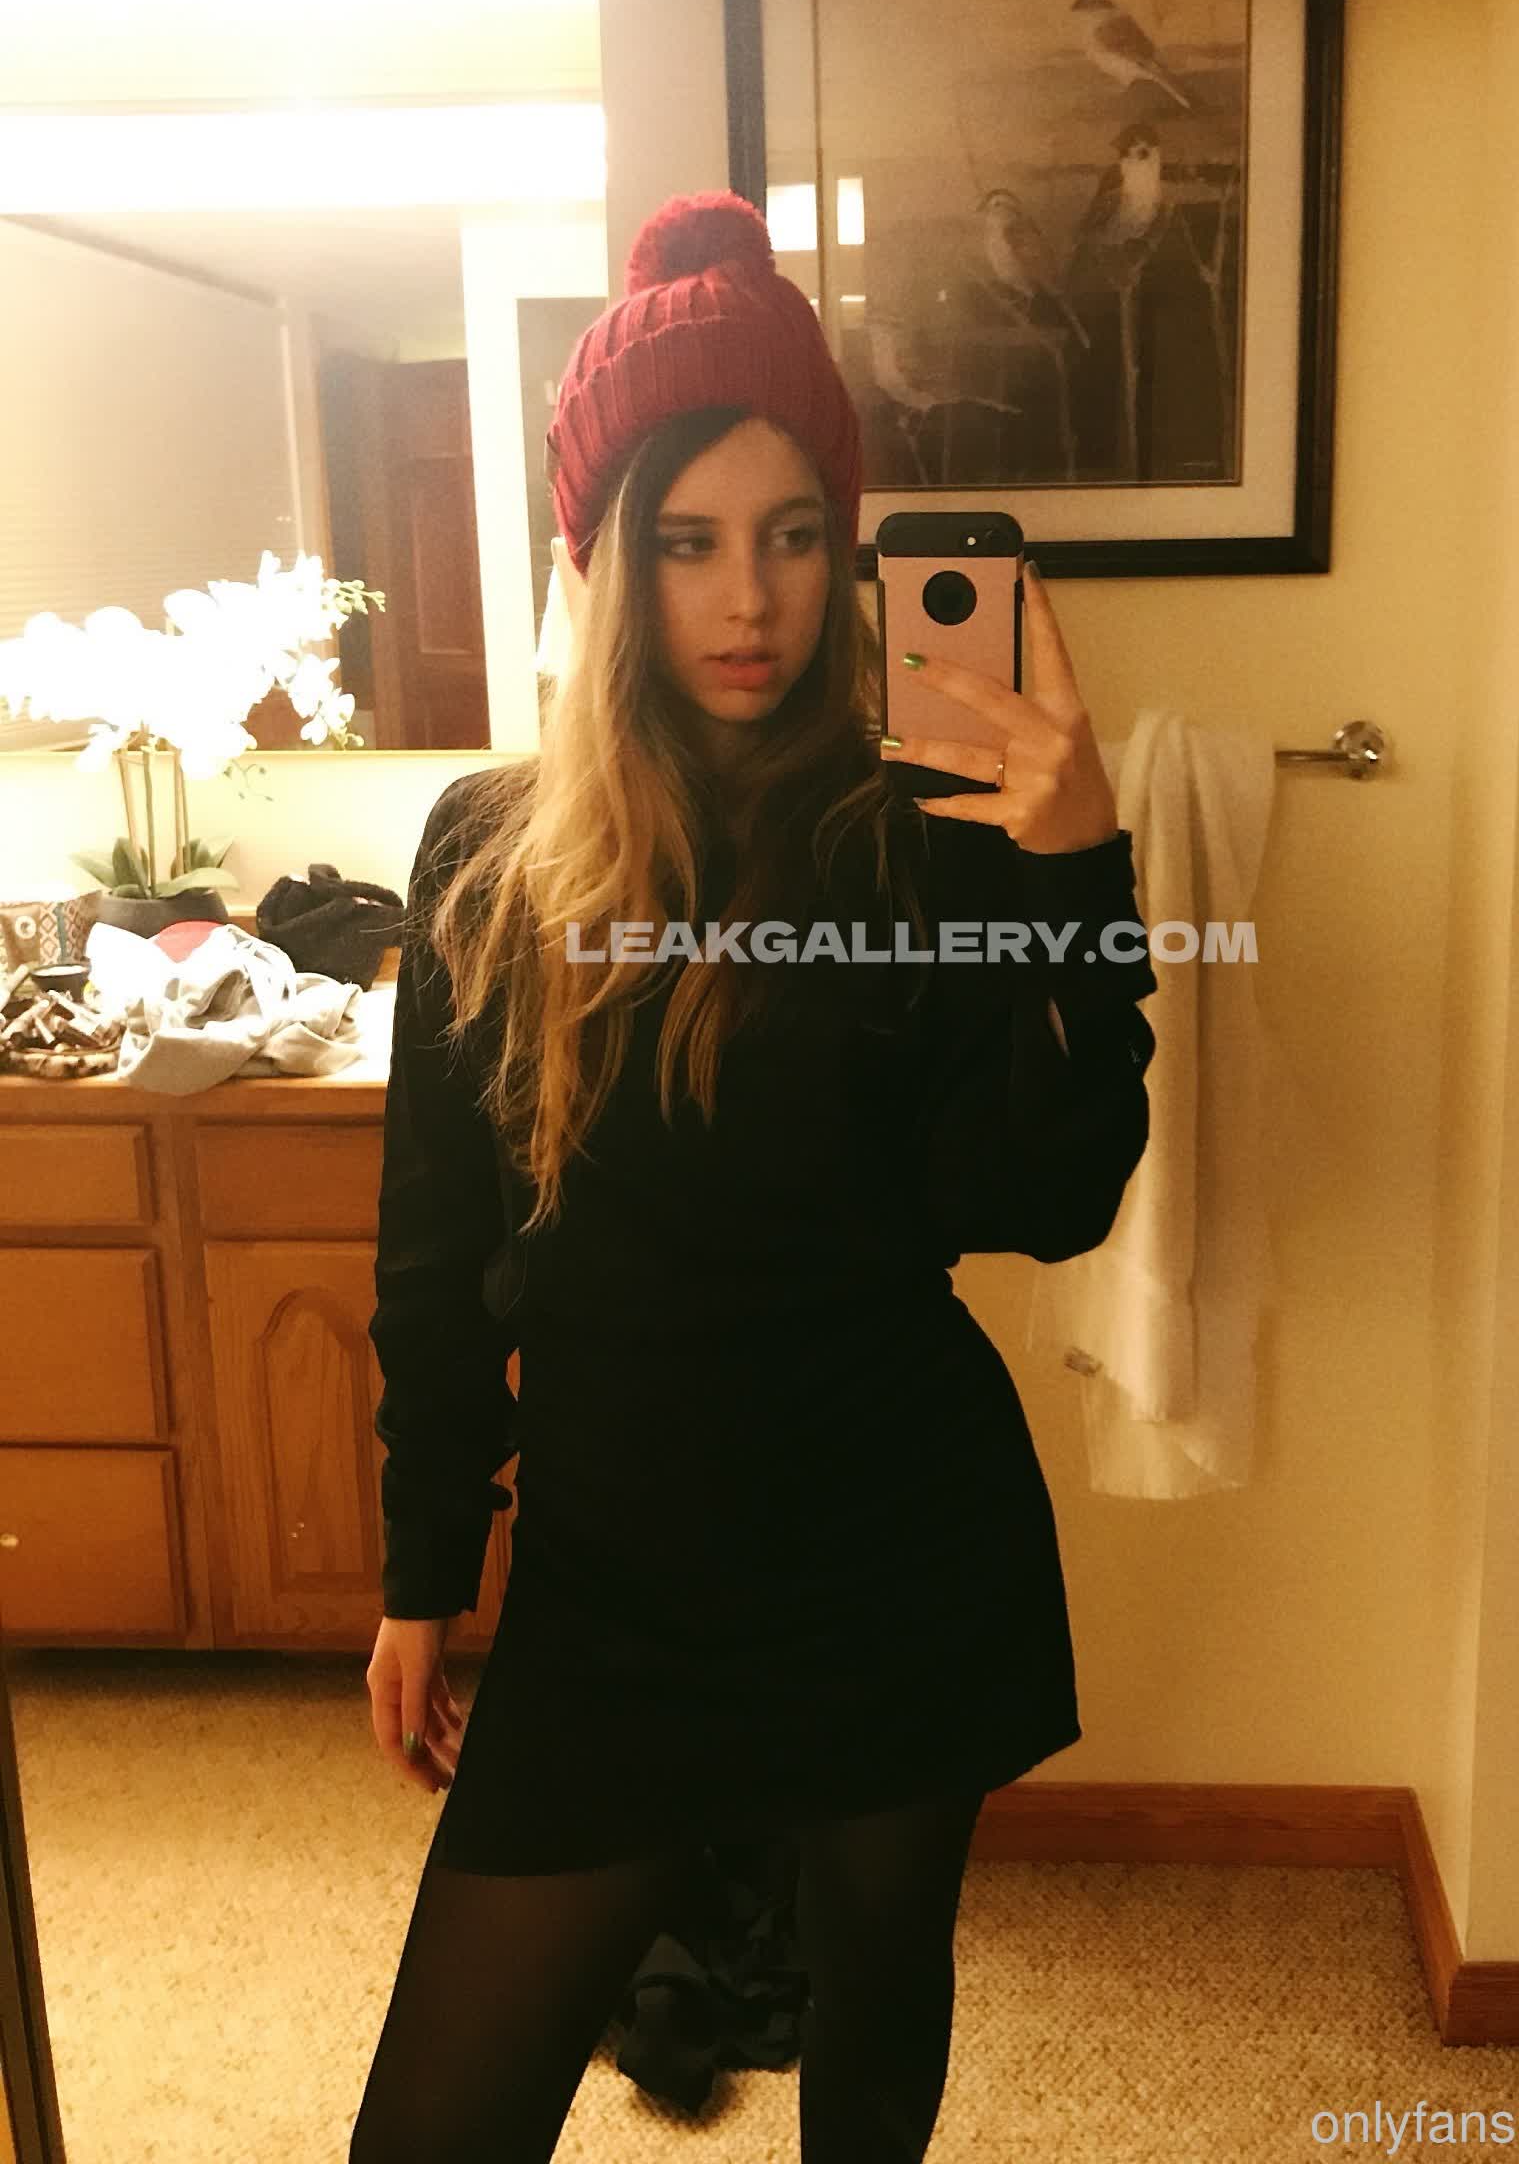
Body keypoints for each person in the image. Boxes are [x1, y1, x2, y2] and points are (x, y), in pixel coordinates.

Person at [347, 189, 1159, 2163]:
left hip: (897, 1553)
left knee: (873, 2050)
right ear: (606, 556)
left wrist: (1078, 883)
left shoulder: (926, 836)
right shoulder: (486, 853)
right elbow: (438, 1259)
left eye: (797, 536)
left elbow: (1050, 1195)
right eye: (690, 540)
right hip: (616, 1585)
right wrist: (424, 1576)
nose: (750, 601)